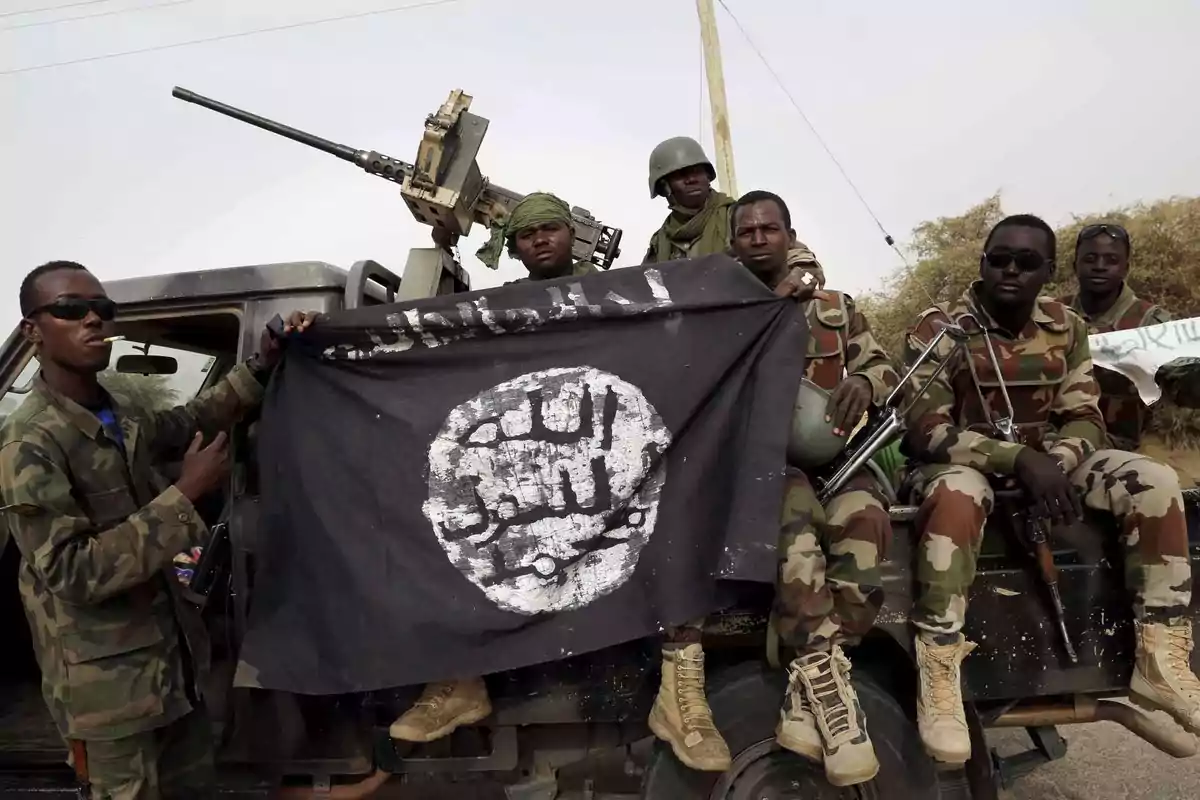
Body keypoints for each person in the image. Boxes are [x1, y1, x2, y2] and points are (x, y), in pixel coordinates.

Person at [393, 192, 733, 772]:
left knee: (674, 514)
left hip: (608, 453)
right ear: (515, 246)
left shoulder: (618, 293)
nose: (541, 241)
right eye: (528, 235)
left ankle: (682, 690)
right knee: (445, 521)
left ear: (569, 235)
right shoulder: (497, 306)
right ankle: (459, 677)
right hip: (527, 459)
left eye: (550, 229)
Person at [0, 260, 315, 800]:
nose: (93, 320)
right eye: (72, 310)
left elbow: (192, 421)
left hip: (172, 675)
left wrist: (262, 364)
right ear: (33, 330)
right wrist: (185, 494)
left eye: (103, 310)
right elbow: (73, 572)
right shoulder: (28, 443)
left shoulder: (116, 412)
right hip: (110, 705)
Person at [900, 215, 1200, 766]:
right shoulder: (944, 328)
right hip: (964, 463)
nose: (1010, 270)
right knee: (958, 496)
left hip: (1051, 463)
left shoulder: (1065, 326)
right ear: (983, 262)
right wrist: (1019, 459)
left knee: (1154, 480)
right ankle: (940, 670)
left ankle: (1159, 653)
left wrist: (1057, 461)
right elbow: (927, 430)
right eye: (1000, 258)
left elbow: (1084, 416)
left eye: (1027, 262)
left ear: (1048, 271)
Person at [728, 190, 900, 787]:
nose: (757, 238)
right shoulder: (722, 314)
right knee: (795, 540)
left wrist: (867, 384)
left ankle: (812, 684)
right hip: (768, 467)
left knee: (867, 528)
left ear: (787, 232)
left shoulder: (834, 307)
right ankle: (832, 697)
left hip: (843, 461)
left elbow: (881, 365)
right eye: (746, 231)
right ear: (733, 244)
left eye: (767, 229)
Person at [1060, 223, 1172, 451]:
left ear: (1126, 268)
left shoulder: (1151, 323)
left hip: (1117, 449)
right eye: (1090, 259)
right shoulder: (1052, 315)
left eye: (1111, 260)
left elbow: (1184, 387)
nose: (1100, 267)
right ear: (1075, 265)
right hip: (1051, 441)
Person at [642, 137, 735, 264]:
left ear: (707, 175)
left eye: (697, 172)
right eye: (681, 175)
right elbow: (647, 280)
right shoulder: (661, 240)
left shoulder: (734, 219)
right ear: (664, 187)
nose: (691, 179)